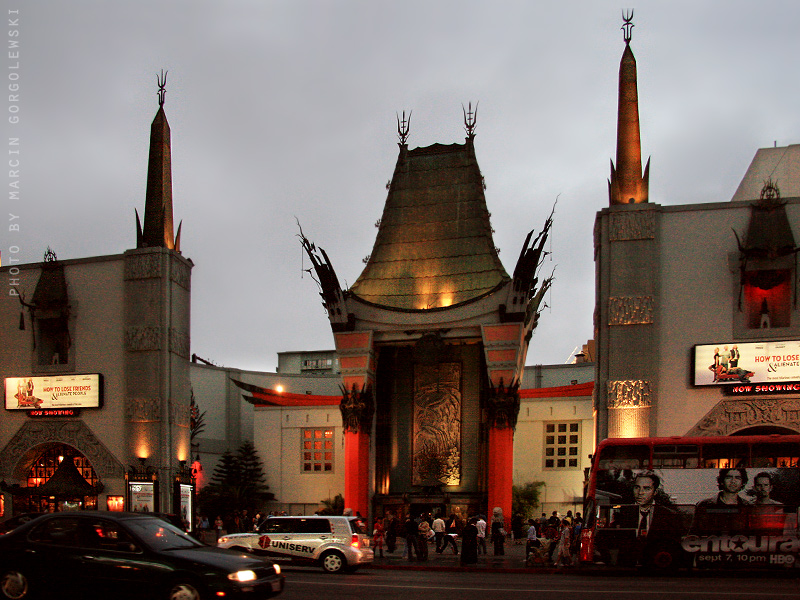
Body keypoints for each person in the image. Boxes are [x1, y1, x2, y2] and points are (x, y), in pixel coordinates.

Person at [610, 470, 684, 567]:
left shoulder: (669, 515)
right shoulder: (623, 513)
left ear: (655, 492)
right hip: (626, 566)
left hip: (655, 564)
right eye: (637, 487)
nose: (640, 493)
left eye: (646, 488)